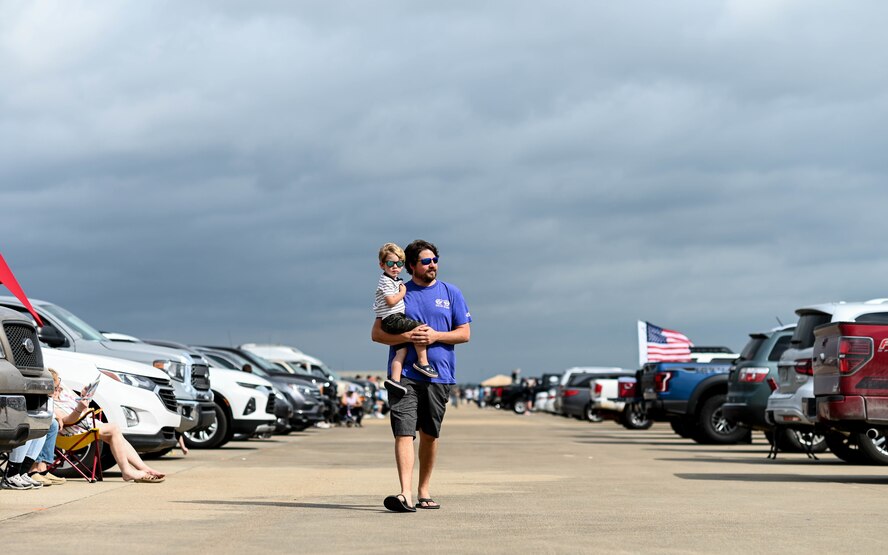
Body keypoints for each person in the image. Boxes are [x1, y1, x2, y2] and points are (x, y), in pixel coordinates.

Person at [372, 239, 471, 512]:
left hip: (439, 375)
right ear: (412, 265)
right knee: (404, 432)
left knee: (429, 434)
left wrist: (436, 335)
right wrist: (409, 336)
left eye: (435, 261)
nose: (432, 266)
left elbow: (464, 333)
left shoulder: (451, 292)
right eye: (426, 261)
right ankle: (404, 493)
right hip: (404, 374)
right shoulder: (400, 291)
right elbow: (378, 334)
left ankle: (423, 490)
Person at [50, 368, 166, 483]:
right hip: (73, 432)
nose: (59, 389)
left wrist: (84, 396)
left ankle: (143, 468)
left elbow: (79, 403)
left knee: (116, 436)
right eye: (56, 388)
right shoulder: (50, 403)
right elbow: (67, 421)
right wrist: (79, 409)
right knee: (114, 429)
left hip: (86, 424)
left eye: (59, 384)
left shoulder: (62, 390)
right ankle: (127, 471)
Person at [373, 243, 438, 399]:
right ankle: (422, 362)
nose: (395, 266)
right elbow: (390, 301)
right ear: (382, 264)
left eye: (399, 263)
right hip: (393, 319)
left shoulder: (393, 280)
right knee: (420, 327)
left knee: (401, 351)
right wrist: (403, 292)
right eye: (390, 263)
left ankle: (395, 380)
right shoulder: (387, 281)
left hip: (392, 319)